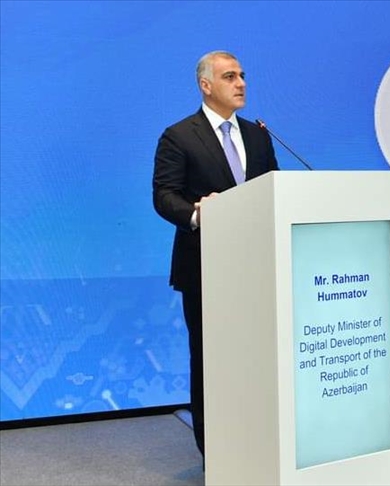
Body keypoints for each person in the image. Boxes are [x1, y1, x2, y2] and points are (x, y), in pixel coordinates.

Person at [152, 50, 279, 461]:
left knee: (259, 359)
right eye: (229, 77)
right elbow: (164, 195)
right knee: (211, 361)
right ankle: (218, 455)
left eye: (242, 75)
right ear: (206, 85)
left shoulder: (258, 135)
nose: (241, 83)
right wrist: (197, 214)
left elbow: (275, 190)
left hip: (260, 266)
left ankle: (260, 444)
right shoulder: (179, 136)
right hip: (205, 267)